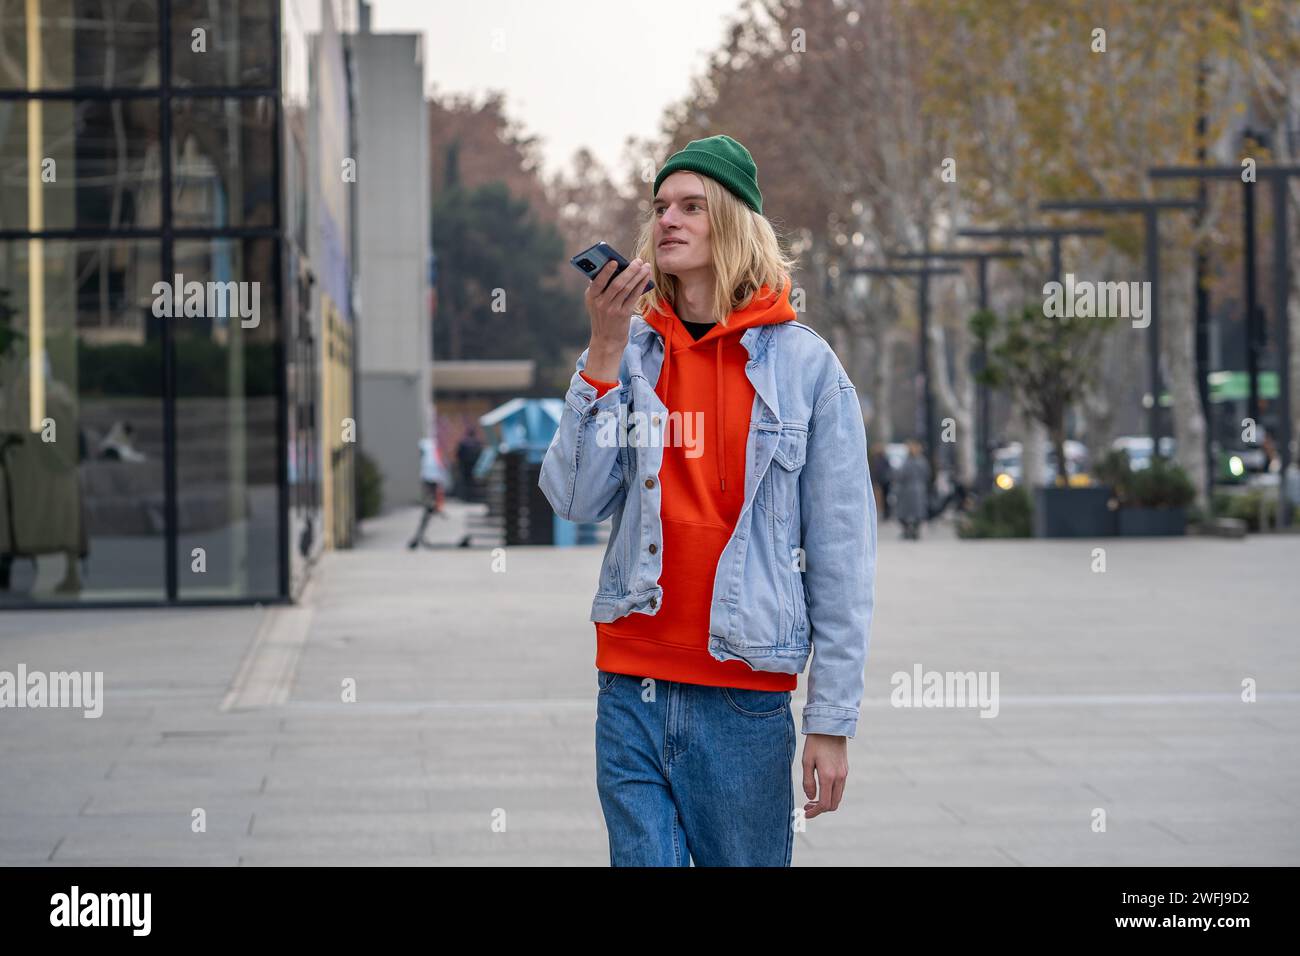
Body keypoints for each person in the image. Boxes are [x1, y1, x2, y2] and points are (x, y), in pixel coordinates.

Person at [539, 134, 877, 866]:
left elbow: (844, 556)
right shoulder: (629, 355)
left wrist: (831, 720)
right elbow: (572, 497)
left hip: (742, 700)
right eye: (661, 206)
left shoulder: (807, 366)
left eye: (693, 205)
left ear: (734, 222)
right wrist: (601, 350)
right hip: (631, 683)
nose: (668, 220)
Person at [407, 436, 449, 550]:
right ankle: (431, 506)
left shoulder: (428, 449)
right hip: (432, 478)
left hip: (429, 479)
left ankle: (431, 506)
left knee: (428, 508)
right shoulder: (432, 449)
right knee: (428, 508)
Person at [894, 439, 931, 539]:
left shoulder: (908, 462)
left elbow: (900, 475)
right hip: (917, 490)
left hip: (909, 490)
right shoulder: (922, 461)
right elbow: (927, 475)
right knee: (915, 512)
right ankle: (912, 531)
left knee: (908, 512)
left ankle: (911, 531)